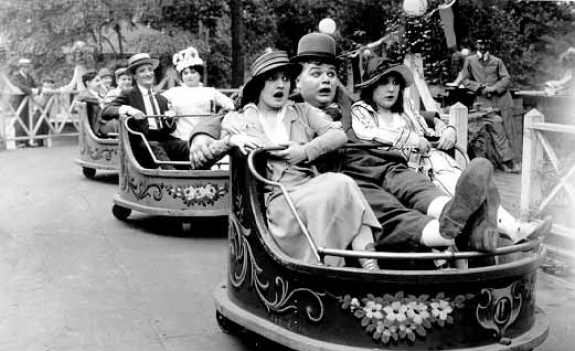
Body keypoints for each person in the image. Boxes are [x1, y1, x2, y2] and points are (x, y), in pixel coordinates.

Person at [190, 34, 501, 256]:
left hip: (374, 162)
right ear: (297, 81)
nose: (327, 80)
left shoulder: (350, 102)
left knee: (399, 176)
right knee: (372, 197)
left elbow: (408, 112)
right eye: (316, 73)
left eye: (331, 73)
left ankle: (456, 216)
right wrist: (202, 137)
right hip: (328, 175)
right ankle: (441, 231)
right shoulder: (286, 103)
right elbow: (228, 118)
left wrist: (441, 123)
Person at [352, 56, 552, 244]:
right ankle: (489, 230)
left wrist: (447, 130)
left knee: (458, 180)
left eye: (395, 83)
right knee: (452, 188)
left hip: (427, 161)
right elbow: (369, 134)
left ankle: (513, 227)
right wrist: (413, 140)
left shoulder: (405, 107)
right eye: (383, 83)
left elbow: (427, 131)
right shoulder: (361, 110)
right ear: (371, 87)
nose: (391, 89)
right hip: (397, 171)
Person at [217, 50, 381, 269]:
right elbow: (203, 158)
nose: (281, 85)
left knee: (342, 184)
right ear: (258, 85)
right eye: (272, 79)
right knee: (332, 191)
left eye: (285, 79)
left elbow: (338, 135)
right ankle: (330, 271)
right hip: (277, 198)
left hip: (307, 184)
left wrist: (304, 151)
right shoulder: (239, 119)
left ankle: (370, 268)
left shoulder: (302, 111)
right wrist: (231, 140)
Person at [102, 53, 190, 169]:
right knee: (153, 145)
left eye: (150, 70)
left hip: (162, 140)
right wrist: (129, 109)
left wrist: (170, 119)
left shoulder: (161, 99)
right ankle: (172, 177)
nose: (148, 73)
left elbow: (170, 129)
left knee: (184, 145)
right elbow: (106, 111)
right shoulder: (129, 94)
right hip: (141, 143)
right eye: (142, 71)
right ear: (135, 76)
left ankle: (199, 175)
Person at [457, 37, 521, 173]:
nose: (482, 45)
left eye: (485, 42)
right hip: (485, 101)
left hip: (503, 100)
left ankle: (515, 161)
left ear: (489, 44)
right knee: (496, 131)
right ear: (476, 44)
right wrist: (479, 87)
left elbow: (506, 78)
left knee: (509, 131)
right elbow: (464, 79)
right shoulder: (470, 60)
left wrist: (494, 88)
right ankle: (505, 162)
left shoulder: (497, 61)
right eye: (480, 42)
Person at [162, 46, 234, 142]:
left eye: (193, 72)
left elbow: (230, 104)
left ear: (200, 74)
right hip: (180, 138)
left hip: (205, 136)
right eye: (186, 73)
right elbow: (154, 101)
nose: (189, 76)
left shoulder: (210, 92)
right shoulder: (173, 92)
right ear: (181, 76)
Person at [9, 58, 39, 147]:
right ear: (20, 67)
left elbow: (36, 84)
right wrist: (31, 90)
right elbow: (19, 86)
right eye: (25, 67)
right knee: (19, 120)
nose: (27, 69)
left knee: (27, 119)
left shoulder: (29, 76)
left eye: (28, 67)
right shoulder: (15, 76)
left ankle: (26, 141)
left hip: (27, 102)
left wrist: (39, 89)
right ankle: (18, 142)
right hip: (17, 101)